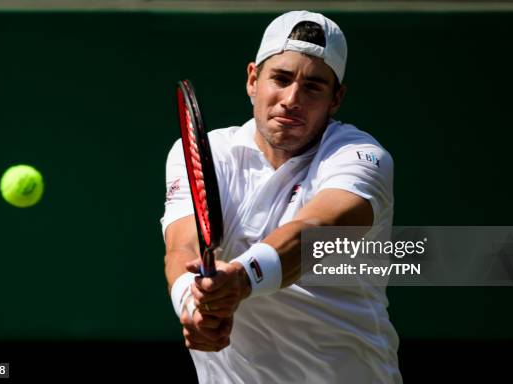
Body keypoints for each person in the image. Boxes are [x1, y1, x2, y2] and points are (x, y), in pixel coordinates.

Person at [162, 10, 401, 383]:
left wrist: (241, 278)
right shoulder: (205, 153)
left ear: (336, 99)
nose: (292, 99)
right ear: (253, 79)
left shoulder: (361, 157)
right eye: (282, 78)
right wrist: (191, 305)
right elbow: (181, 248)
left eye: (313, 87)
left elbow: (317, 229)